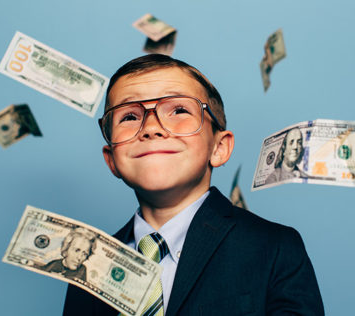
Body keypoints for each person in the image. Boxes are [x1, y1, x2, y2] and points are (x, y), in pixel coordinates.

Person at [63, 54, 323, 316]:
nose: (151, 128)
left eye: (179, 110)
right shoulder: (84, 264)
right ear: (112, 160)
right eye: (129, 116)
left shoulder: (274, 248)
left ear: (219, 148)